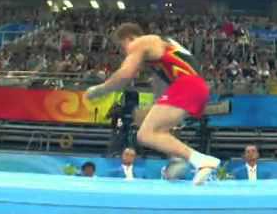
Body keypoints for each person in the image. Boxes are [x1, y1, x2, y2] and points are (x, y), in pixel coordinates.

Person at [86, 23, 220, 185]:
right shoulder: (162, 51)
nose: (124, 52)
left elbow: (125, 75)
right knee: (156, 132)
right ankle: (178, 157)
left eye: (122, 47)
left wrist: (98, 90)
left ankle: (200, 160)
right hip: (196, 87)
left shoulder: (140, 42)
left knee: (144, 134)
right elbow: (162, 92)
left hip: (187, 85)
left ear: (129, 38)